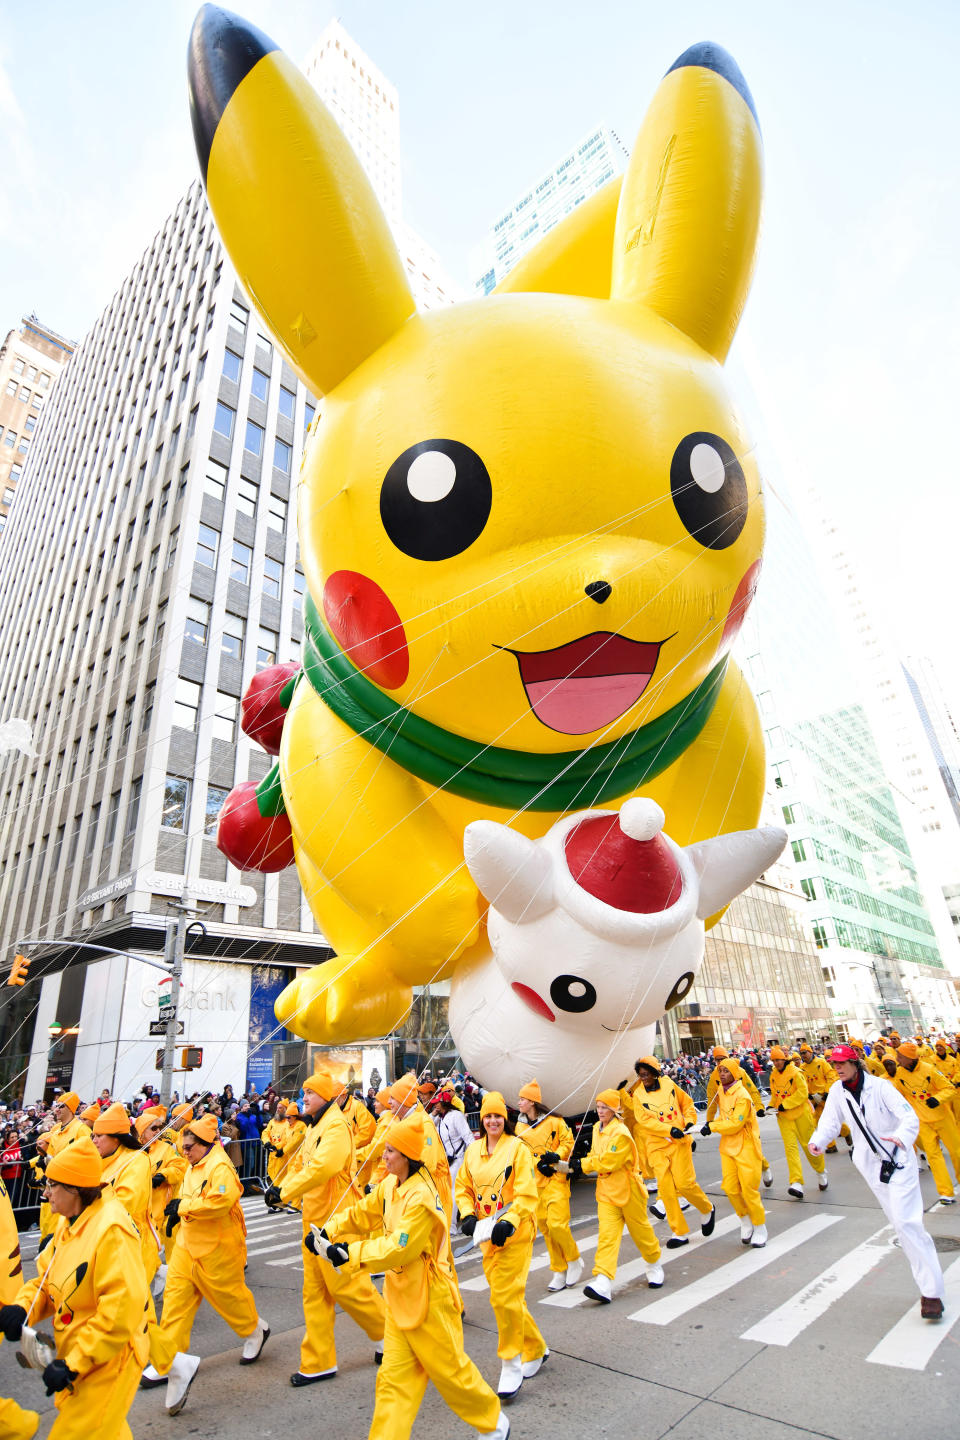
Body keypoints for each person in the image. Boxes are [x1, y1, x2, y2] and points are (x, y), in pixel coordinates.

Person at [325, 1111, 508, 1439]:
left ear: (407, 1156)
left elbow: (399, 1249)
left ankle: (494, 1423)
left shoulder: (421, 1197)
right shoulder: (391, 1185)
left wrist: (349, 1255)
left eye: (391, 1151)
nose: (385, 1155)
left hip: (429, 1301)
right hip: (397, 1300)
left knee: (451, 1374)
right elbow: (364, 1211)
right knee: (392, 1382)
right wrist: (329, 1229)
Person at [1, 1136, 149, 1439]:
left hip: (112, 1355)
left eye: (52, 1186)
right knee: (105, 1428)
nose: (46, 1194)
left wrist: (73, 1363)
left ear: (74, 1188)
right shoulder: (68, 1220)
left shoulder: (111, 1230)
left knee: (78, 1431)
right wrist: (22, 1308)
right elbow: (45, 1279)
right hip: (84, 1350)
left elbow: (120, 1310)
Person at [142, 1113, 269, 1415]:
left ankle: (255, 1331)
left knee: (229, 1298)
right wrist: (177, 1218)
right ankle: (169, 1361)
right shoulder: (193, 1164)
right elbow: (187, 1197)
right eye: (184, 1146)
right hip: (188, 1247)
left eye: (189, 1146)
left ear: (205, 1143)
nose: (184, 1151)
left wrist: (182, 1207)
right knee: (175, 1302)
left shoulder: (220, 1166)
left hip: (218, 1248)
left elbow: (218, 1203)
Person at [265, 1069, 385, 1387]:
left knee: (348, 1286)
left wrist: (284, 1191)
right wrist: (281, 1189)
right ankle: (318, 1362)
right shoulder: (316, 1126)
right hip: (314, 1219)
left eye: (309, 1093)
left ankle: (389, 1336)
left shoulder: (335, 1125)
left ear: (326, 1097)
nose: (303, 1098)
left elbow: (324, 1167)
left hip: (337, 1220)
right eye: (304, 1093)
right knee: (314, 1292)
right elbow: (303, 1167)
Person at [809, 1045, 945, 1319]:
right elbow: (830, 1121)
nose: (836, 1068)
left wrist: (902, 1138)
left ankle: (932, 1293)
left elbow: (908, 1116)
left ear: (854, 1063)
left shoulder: (881, 1087)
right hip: (871, 1166)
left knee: (908, 1223)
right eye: (834, 1064)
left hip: (899, 1159)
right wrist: (819, 1141)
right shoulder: (837, 1091)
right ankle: (928, 1282)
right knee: (899, 1223)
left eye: (841, 1063)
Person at [455, 1091, 548, 1401]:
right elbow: (463, 1189)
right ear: (481, 1120)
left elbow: (525, 1194)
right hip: (485, 1236)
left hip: (516, 1234)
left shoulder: (517, 1149)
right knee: (506, 1297)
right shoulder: (473, 1150)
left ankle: (511, 1361)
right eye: (487, 1116)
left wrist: (510, 1221)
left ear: (505, 1119)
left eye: (497, 1116)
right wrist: (467, 1216)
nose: (493, 1121)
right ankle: (535, 1346)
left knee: (503, 1298)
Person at [573, 1088, 664, 1303]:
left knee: (642, 1233)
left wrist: (579, 1164)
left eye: (605, 1107)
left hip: (629, 1191)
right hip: (606, 1192)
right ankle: (603, 1281)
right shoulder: (596, 1128)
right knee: (606, 1236)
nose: (601, 1111)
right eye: (599, 1106)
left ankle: (654, 1264)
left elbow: (608, 1161)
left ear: (615, 1110)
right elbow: (596, 1155)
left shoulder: (621, 1133)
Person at [630, 1057, 715, 1247]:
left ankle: (707, 1208)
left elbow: (687, 1103)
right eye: (640, 1074)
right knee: (667, 1191)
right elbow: (645, 1121)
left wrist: (690, 1121)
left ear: (654, 1072)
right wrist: (668, 1130)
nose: (643, 1077)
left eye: (645, 1073)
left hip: (679, 1143)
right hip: (657, 1147)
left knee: (685, 1184)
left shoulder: (669, 1084)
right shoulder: (638, 1095)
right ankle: (679, 1232)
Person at [515, 1078, 582, 1290]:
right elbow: (521, 1152)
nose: (519, 1102)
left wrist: (556, 1156)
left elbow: (567, 1141)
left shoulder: (555, 1121)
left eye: (523, 1099)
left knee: (557, 1224)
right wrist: (537, 1163)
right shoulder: (520, 1126)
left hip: (556, 1179)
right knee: (545, 1227)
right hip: (536, 1182)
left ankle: (573, 1259)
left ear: (532, 1102)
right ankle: (558, 1269)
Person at [91, 1104, 160, 1293]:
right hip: (107, 1242)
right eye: (93, 1136)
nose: (94, 1141)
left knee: (134, 1310)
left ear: (115, 1138)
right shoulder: (99, 1161)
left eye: (99, 1136)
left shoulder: (137, 1160)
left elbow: (125, 1202)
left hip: (133, 1242)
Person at [701, 1058, 767, 1246]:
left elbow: (736, 1123)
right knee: (730, 1188)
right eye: (720, 1070)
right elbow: (721, 1115)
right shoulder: (721, 1091)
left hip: (745, 1146)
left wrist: (712, 1126)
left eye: (726, 1071)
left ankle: (760, 1226)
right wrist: (709, 1122)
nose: (722, 1074)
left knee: (749, 1189)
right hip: (727, 1146)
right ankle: (745, 1220)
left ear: (735, 1074)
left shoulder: (743, 1096)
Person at [888, 1040, 960, 1203]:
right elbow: (898, 1096)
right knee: (934, 1157)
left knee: (957, 1152)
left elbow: (949, 1088)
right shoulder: (899, 1074)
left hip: (943, 1118)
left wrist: (937, 1099)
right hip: (922, 1121)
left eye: (900, 1055)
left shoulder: (930, 1070)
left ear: (909, 1058)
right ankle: (945, 1192)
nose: (897, 1058)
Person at [706, 1046, 772, 1187]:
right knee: (733, 1154)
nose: (720, 1063)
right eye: (717, 1060)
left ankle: (764, 1166)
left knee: (753, 1149)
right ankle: (739, 1184)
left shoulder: (740, 1072)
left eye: (722, 1059)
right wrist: (709, 1121)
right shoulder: (714, 1077)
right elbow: (711, 1100)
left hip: (745, 1118)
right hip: (728, 1120)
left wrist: (759, 1107)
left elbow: (752, 1090)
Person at [768, 1046, 828, 1198]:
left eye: (778, 1060)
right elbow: (775, 1095)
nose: (776, 1063)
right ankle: (796, 1182)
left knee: (809, 1146)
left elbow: (802, 1093)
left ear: (784, 1059)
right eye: (773, 1060)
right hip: (784, 1118)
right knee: (790, 1149)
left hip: (802, 1114)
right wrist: (769, 1107)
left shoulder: (796, 1073)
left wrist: (785, 1104)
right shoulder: (773, 1075)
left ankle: (821, 1171)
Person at [798, 1044, 852, 1154]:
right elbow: (802, 1083)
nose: (803, 1055)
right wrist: (809, 1095)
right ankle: (831, 1145)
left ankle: (846, 1132)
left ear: (811, 1052)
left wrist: (827, 1092)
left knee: (832, 1120)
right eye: (801, 1053)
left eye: (805, 1053)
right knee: (820, 1122)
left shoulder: (821, 1063)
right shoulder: (802, 1068)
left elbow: (831, 1076)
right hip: (815, 1099)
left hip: (825, 1096)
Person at [433, 1089, 475, 1194]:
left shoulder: (456, 1115)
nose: (435, 1105)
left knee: (455, 1191)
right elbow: (427, 1125)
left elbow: (468, 1137)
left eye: (438, 1103)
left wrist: (473, 1159)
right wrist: (433, 1114)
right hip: (447, 1161)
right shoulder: (439, 1117)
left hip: (458, 1159)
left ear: (444, 1103)